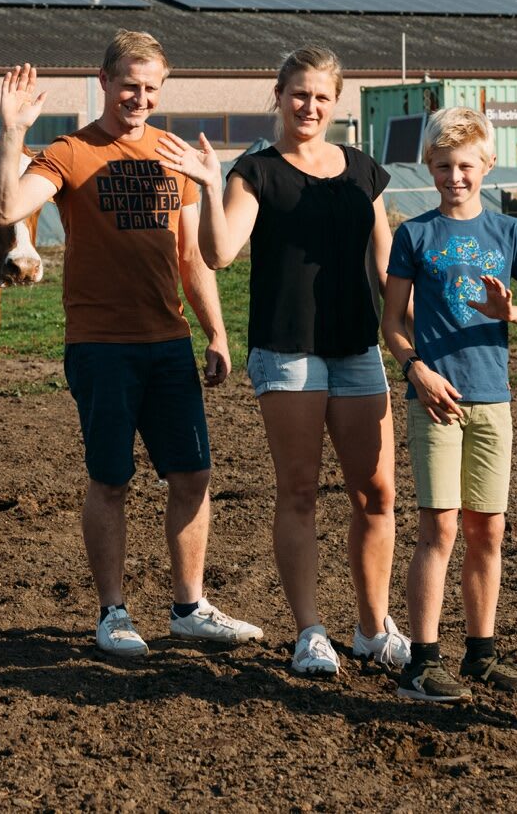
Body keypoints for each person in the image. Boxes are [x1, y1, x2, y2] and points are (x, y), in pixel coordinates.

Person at [0, 29, 262, 657]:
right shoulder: (69, 151)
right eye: (129, 85)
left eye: (150, 88)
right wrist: (11, 133)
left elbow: (192, 256)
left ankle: (190, 607)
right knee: (111, 479)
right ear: (104, 81)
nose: (139, 98)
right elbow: (3, 211)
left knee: (193, 474)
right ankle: (112, 613)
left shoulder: (173, 154)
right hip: (101, 346)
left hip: (169, 344)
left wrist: (216, 330)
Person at [159, 45, 405, 677]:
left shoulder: (363, 172)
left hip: (357, 351)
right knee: (299, 491)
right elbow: (219, 252)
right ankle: (311, 631)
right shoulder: (255, 172)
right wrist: (212, 187)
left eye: (322, 97)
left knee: (376, 495)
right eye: (300, 94)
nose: (310, 106)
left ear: (336, 102)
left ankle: (373, 628)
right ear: (278, 94)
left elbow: (385, 270)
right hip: (287, 351)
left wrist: (416, 330)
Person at [379, 107, 517, 702]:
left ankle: (481, 655)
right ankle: (421, 663)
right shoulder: (415, 234)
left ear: (486, 165)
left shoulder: (510, 233)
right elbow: (392, 322)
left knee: (489, 530)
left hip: (493, 402)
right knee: (440, 528)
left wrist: (511, 313)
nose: (454, 176)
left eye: (465, 165)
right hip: (435, 401)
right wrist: (417, 371)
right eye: (442, 166)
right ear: (428, 166)